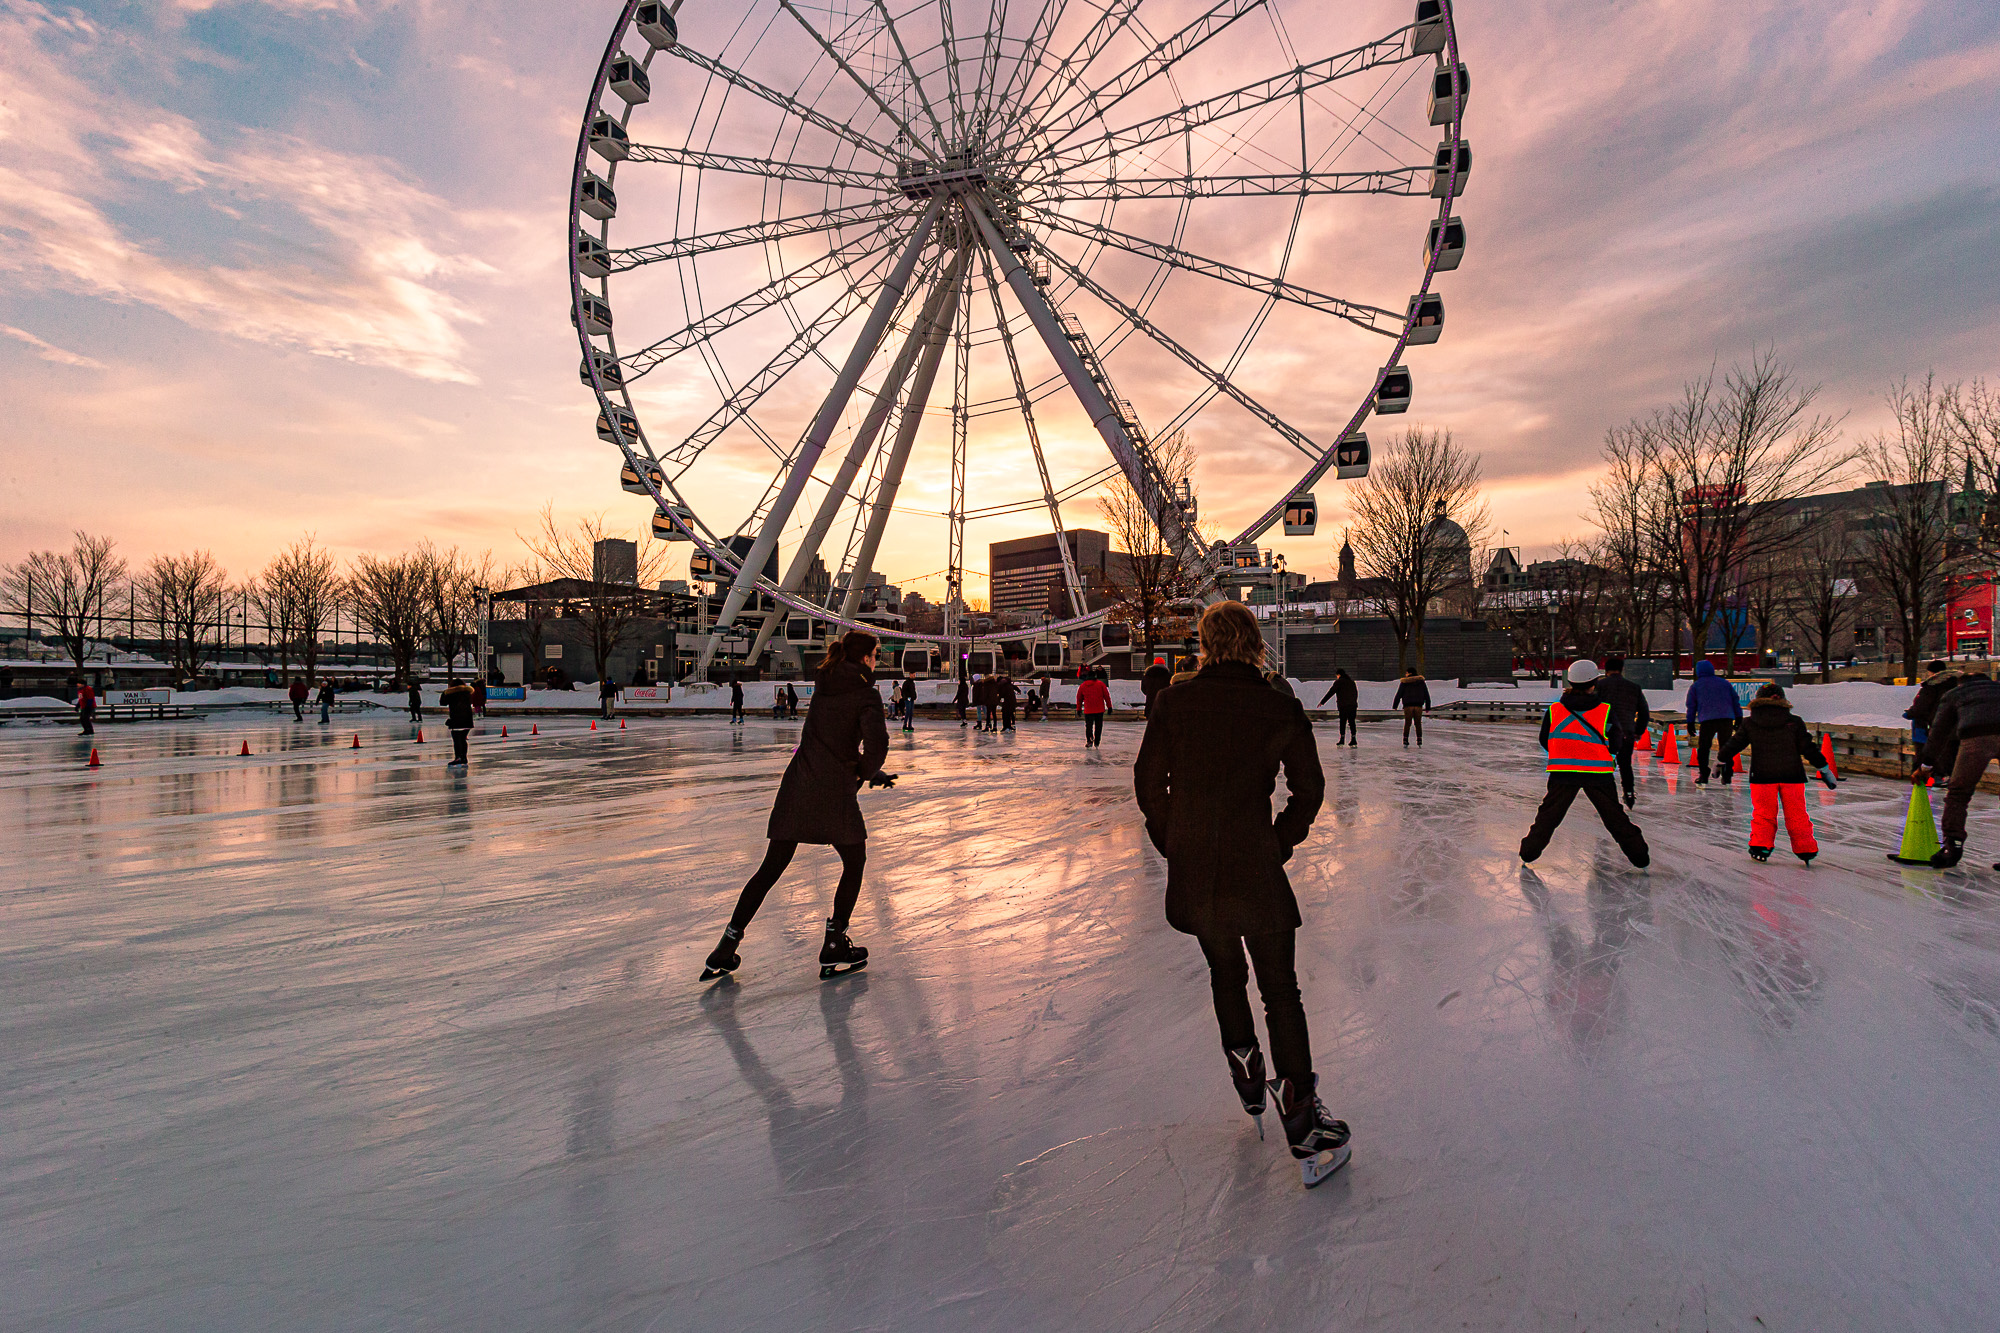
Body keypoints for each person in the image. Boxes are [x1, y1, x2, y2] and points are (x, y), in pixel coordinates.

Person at [1134, 601, 1348, 1187]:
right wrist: (1278, 843)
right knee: (1282, 991)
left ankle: (1248, 1078)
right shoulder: (1276, 704)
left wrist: (1175, 841)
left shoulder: (1175, 702)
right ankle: (1303, 1123)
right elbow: (1309, 790)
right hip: (1255, 863)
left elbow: (1149, 785)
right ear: (1256, 642)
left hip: (1198, 868)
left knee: (1226, 976)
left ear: (1204, 643)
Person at [701, 630, 896, 981]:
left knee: (771, 867)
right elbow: (877, 745)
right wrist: (864, 772)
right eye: (876, 654)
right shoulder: (865, 694)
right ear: (865, 657)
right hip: (834, 790)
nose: (877, 659)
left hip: (799, 784)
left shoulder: (824, 685)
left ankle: (727, 944)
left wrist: (867, 771)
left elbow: (831, 737)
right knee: (855, 860)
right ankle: (834, 941)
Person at [1519, 660, 1650, 868]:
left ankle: (1529, 851)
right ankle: (1639, 855)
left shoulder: (1555, 710)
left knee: (1549, 815)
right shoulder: (1605, 711)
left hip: (1563, 772)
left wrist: (1565, 751)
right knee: (1614, 817)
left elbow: (1545, 739)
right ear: (1594, 682)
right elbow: (1616, 743)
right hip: (1597, 772)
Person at [1718, 683, 1835, 863]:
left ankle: (1760, 847)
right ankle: (1806, 849)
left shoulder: (1750, 722)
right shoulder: (1794, 722)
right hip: (1792, 776)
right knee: (1797, 814)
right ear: (1781, 699)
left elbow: (1735, 743)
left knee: (1764, 813)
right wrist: (1824, 768)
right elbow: (1807, 748)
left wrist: (1721, 759)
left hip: (1762, 777)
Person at [1913, 672, 2000, 869]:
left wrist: (1926, 766)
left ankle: (1953, 847)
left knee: (1958, 793)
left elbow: (1938, 732)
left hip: (1976, 737)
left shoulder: (1955, 694)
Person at [1596, 655, 1652, 808]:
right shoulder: (1634, 687)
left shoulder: (1600, 686)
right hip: (1627, 732)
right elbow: (1644, 713)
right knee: (1625, 764)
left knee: (1604, 766)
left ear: (1606, 670)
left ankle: (1606, 798)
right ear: (1622, 670)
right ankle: (1629, 793)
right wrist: (1638, 731)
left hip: (1604, 733)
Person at [1683, 660, 1741, 785]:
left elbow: (1691, 706)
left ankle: (1704, 774)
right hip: (1726, 719)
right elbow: (1735, 700)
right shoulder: (1724, 683)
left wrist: (1690, 722)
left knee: (1704, 748)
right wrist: (1739, 718)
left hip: (1707, 721)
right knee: (1726, 747)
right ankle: (1727, 773)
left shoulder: (1696, 686)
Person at [1905, 659, 1958, 747]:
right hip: (1954, 727)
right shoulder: (1955, 684)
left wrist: (1909, 713)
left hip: (1932, 727)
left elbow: (1921, 707)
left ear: (1933, 673)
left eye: (1929, 672)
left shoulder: (1930, 687)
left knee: (1927, 754)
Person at [441, 678, 476, 769]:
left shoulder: (451, 694)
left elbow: (442, 702)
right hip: (467, 720)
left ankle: (458, 757)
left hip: (456, 719)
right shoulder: (467, 693)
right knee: (463, 739)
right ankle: (464, 757)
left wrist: (445, 692)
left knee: (457, 740)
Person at [1318, 669, 1360, 747]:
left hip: (1343, 706)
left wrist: (1322, 702)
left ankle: (1342, 739)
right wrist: (1353, 702)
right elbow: (1355, 693)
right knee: (1352, 722)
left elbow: (1331, 692)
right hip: (1352, 705)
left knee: (1343, 722)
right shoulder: (1352, 682)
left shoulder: (1339, 682)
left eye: (1337, 675)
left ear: (1339, 675)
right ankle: (1353, 739)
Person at [1391, 668, 1430, 747]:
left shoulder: (1404, 682)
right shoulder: (1421, 682)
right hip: (1418, 706)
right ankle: (1419, 739)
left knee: (1407, 723)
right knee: (1418, 723)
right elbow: (1426, 694)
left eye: (1406, 673)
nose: (1405, 674)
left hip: (1408, 706)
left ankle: (1405, 739)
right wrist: (1427, 707)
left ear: (1409, 673)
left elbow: (1399, 694)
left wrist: (1395, 705)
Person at [1077, 667, 1110, 747]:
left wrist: (1079, 709)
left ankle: (1089, 740)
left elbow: (1079, 698)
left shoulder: (1083, 686)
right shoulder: (1101, 684)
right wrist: (1109, 707)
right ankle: (1097, 741)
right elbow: (1107, 696)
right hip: (1099, 709)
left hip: (1088, 710)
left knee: (1089, 726)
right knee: (1098, 726)